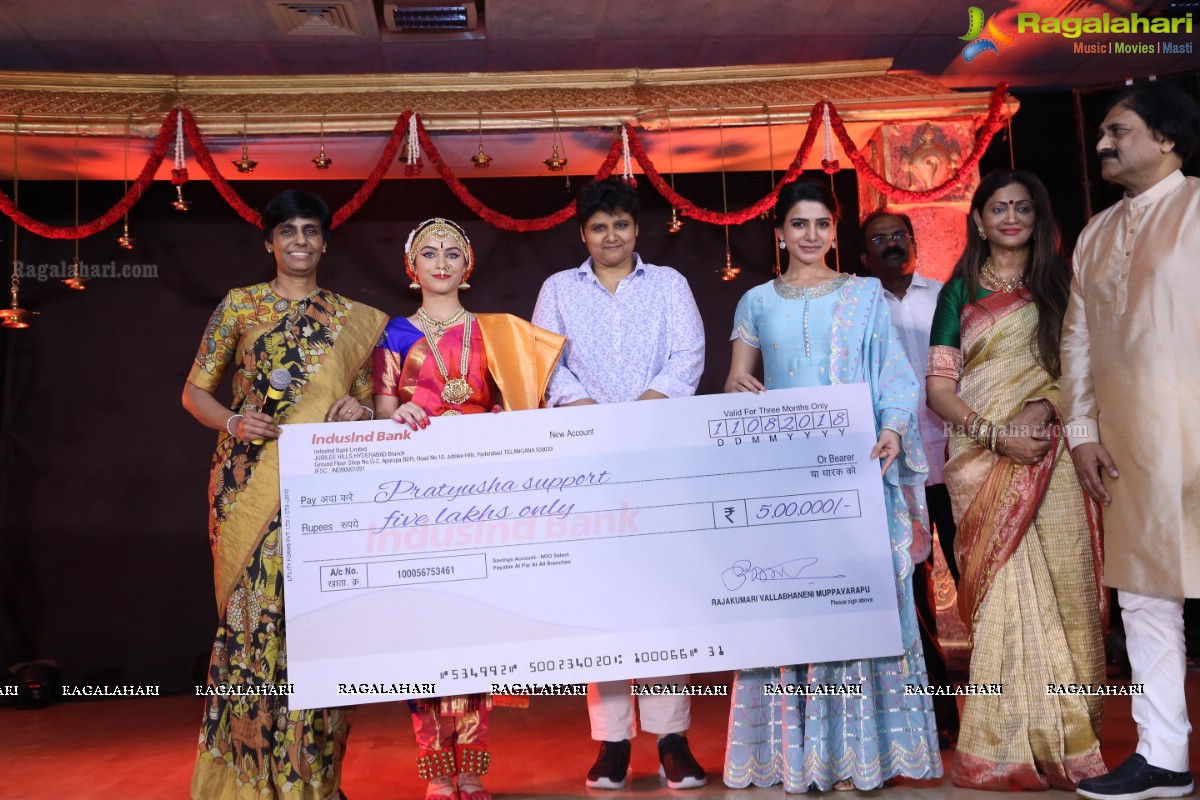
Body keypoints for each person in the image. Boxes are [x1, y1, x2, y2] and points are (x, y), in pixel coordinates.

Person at [723, 178, 943, 792]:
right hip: (783, 475)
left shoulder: (865, 295)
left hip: (854, 471)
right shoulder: (757, 301)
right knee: (793, 599)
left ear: (833, 231)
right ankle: (800, 755)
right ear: (780, 233)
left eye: (822, 224)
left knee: (854, 601)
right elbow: (737, 379)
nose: (811, 236)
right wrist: (739, 386)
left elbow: (896, 378)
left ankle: (859, 752)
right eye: (799, 225)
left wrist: (896, 431)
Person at [183, 190, 387, 799]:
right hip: (248, 488)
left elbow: (364, 403)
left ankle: (312, 780)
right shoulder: (240, 306)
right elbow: (195, 393)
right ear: (268, 242)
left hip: (320, 490)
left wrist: (356, 408)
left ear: (325, 241)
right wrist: (233, 422)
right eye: (286, 231)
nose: (299, 240)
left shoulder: (355, 319)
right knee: (253, 632)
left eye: (310, 231)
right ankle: (246, 783)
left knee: (319, 628)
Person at [925, 170, 1107, 790]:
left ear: (1038, 217)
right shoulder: (958, 295)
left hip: (1055, 459)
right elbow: (939, 390)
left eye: (1022, 207)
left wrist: (1043, 403)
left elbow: (1085, 367)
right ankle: (1001, 745)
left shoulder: (1063, 284)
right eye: (997, 208)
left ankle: (1070, 740)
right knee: (1003, 594)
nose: (1009, 217)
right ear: (977, 220)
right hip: (982, 461)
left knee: (1065, 587)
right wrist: (996, 434)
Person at [372, 217, 565, 800]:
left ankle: (475, 770)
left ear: (468, 265)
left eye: (452, 253)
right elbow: (382, 409)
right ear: (412, 268)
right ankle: (436, 774)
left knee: (479, 632)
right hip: (416, 499)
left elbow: (519, 406)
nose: (440, 263)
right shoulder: (395, 334)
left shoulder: (496, 333)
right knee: (424, 634)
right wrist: (394, 414)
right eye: (428, 254)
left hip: (480, 497)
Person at [530, 176, 707, 790]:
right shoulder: (558, 290)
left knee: (662, 599)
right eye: (599, 227)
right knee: (601, 603)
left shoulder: (668, 286)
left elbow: (687, 358)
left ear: (637, 230)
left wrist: (640, 414)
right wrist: (594, 421)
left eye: (621, 225)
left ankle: (672, 740)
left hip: (658, 456)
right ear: (584, 234)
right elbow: (545, 365)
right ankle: (610, 744)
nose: (611, 236)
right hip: (584, 462)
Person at [1062, 82, 1200, 800]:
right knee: (1146, 601)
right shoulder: (1093, 233)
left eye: (1118, 130)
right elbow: (1077, 342)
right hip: (1133, 449)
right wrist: (1081, 432)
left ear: (1167, 140)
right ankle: (1164, 758)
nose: (1102, 143)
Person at [859, 210, 959, 746]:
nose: (894, 245)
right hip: (893, 471)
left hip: (955, 461)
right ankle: (940, 715)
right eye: (881, 239)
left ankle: (1000, 712)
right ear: (862, 254)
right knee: (913, 598)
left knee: (976, 579)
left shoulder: (946, 296)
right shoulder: (856, 306)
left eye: (901, 236)